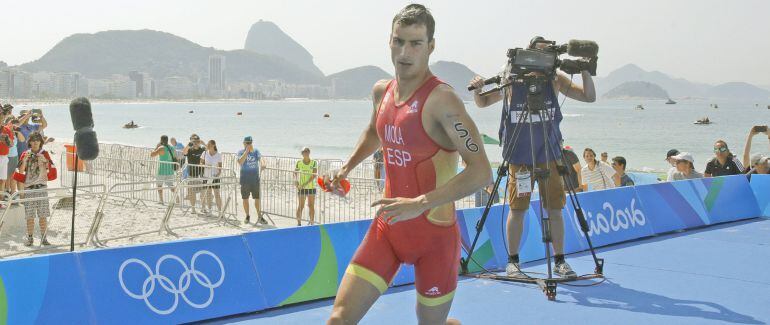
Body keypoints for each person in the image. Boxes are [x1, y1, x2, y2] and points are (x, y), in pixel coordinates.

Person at [327, 5, 490, 325]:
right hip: (387, 229)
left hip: (435, 239)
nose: (405, 51)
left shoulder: (444, 101)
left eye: (415, 43)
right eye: (398, 41)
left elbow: (481, 170)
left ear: (431, 46)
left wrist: (420, 203)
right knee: (339, 320)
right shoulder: (381, 92)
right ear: (389, 40)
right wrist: (345, 168)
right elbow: (375, 132)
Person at [470, 35, 595, 280]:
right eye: (538, 53)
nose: (542, 59)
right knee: (518, 209)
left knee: (555, 209)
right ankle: (513, 263)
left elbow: (589, 96)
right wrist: (477, 88)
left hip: (550, 153)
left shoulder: (555, 79)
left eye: (548, 54)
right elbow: (483, 101)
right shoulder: (512, 79)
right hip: (520, 157)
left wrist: (585, 70)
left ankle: (560, 261)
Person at [19, 133, 52, 246]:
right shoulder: (25, 153)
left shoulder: (45, 153)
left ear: (41, 142)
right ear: (29, 142)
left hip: (41, 187)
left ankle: (44, 238)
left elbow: (50, 170)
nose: (35, 142)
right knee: (30, 216)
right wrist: (24, 161)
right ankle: (30, 238)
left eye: (37, 140)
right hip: (29, 188)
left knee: (43, 215)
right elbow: (21, 172)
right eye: (33, 140)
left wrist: (45, 161)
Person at [237, 136, 266, 224]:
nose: (249, 144)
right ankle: (247, 216)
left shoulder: (256, 151)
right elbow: (240, 162)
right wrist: (246, 151)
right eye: (248, 143)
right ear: (244, 143)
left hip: (255, 179)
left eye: (250, 143)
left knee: (257, 198)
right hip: (245, 179)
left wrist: (263, 164)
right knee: (245, 198)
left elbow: (261, 158)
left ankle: (259, 216)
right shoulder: (240, 152)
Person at [150, 135, 177, 204]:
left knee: (159, 185)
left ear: (161, 140)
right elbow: (175, 157)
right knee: (171, 185)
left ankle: (161, 200)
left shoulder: (161, 148)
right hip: (170, 169)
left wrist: (156, 146)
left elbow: (152, 155)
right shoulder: (172, 148)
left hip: (162, 169)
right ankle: (177, 198)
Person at [182, 134, 206, 213]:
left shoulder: (202, 149)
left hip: (202, 174)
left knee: (203, 192)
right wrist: (189, 144)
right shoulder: (190, 149)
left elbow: (211, 151)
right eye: (194, 141)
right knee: (192, 192)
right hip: (192, 173)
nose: (196, 143)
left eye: (197, 141)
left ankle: (203, 207)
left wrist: (204, 143)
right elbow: (184, 152)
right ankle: (193, 208)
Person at [295, 147, 317, 226]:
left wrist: (305, 184)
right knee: (301, 206)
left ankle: (311, 223)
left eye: (307, 151)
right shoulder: (299, 162)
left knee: (311, 206)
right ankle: (299, 223)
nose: (306, 153)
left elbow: (314, 175)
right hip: (301, 188)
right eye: (304, 152)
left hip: (311, 187)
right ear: (302, 153)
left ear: (309, 152)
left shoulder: (314, 162)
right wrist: (296, 180)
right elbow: (295, 173)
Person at [202, 139, 223, 215]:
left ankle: (220, 212)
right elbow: (200, 163)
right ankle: (210, 210)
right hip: (206, 176)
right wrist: (205, 165)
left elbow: (220, 168)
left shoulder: (218, 155)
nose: (208, 146)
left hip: (215, 177)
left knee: (217, 194)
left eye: (210, 145)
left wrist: (217, 175)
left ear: (214, 145)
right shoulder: (204, 153)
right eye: (208, 145)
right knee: (208, 194)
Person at [6, 118, 25, 197]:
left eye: (15, 123)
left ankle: (12, 192)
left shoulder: (16, 132)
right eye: (12, 122)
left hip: (14, 156)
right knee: (5, 175)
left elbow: (22, 139)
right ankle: (7, 191)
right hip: (5, 156)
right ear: (8, 123)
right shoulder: (4, 130)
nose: (13, 125)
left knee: (13, 175)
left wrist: (17, 131)